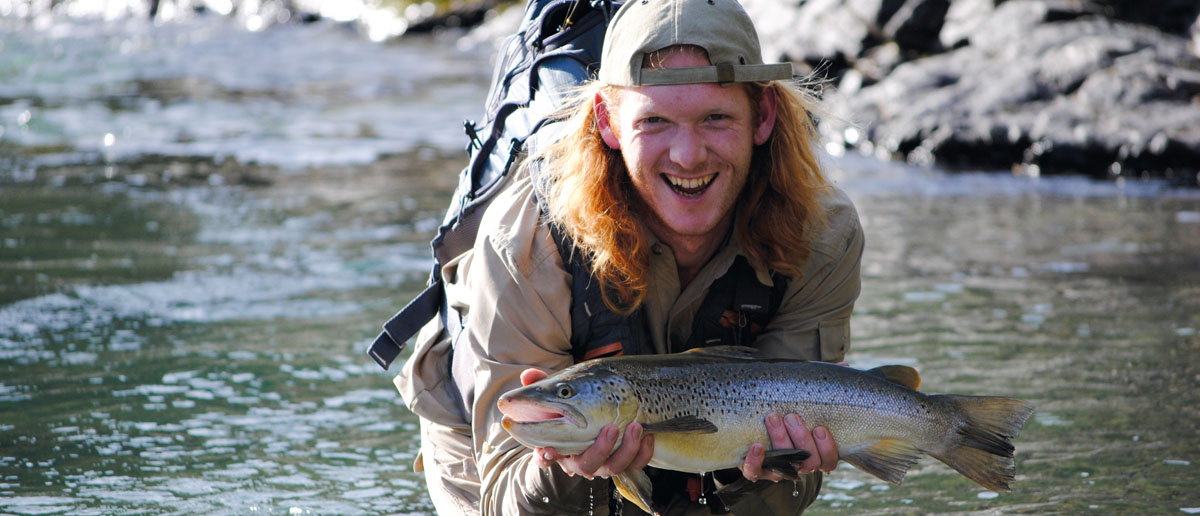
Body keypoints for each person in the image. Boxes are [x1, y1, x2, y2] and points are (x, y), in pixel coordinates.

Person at [394, 0, 864, 513]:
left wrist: (779, 472)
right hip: (483, 441)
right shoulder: (525, 242)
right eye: (655, 121)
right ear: (608, 121)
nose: (688, 156)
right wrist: (561, 466)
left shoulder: (819, 233)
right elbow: (507, 498)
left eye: (715, 118)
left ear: (763, 115)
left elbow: (790, 478)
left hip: (700, 432)